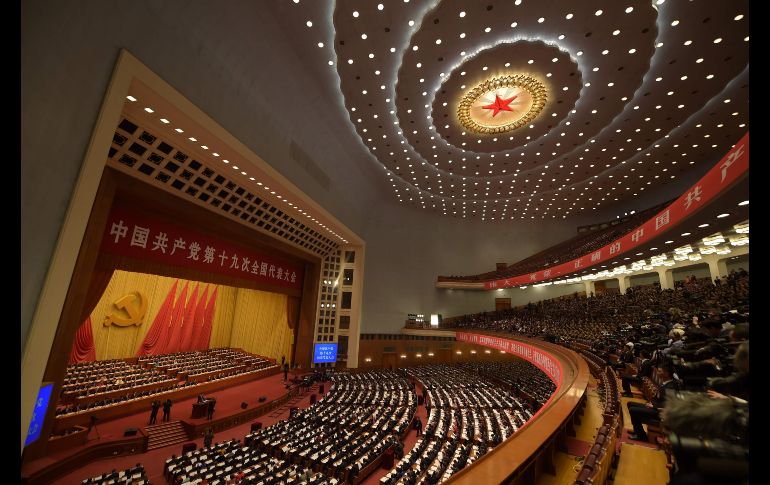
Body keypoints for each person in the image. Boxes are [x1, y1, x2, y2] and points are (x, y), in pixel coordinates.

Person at [627, 362, 680, 441]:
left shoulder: (671, 387)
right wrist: (651, 403)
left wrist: (654, 407)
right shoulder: (665, 383)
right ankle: (637, 431)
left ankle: (641, 436)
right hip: (655, 408)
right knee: (630, 404)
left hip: (660, 413)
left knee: (633, 410)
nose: (657, 373)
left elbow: (670, 405)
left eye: (659, 371)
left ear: (666, 373)